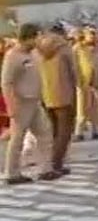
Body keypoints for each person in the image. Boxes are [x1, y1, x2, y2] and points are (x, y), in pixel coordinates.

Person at [1, 24, 56, 183]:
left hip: (35, 101)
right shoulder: (13, 56)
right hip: (21, 102)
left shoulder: (34, 53)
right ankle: (12, 173)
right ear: (28, 37)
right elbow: (6, 83)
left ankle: (46, 169)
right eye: (36, 37)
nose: (38, 40)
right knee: (18, 138)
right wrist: (11, 106)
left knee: (45, 133)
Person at [37, 23, 78, 175]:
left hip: (46, 93)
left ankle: (50, 162)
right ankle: (57, 163)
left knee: (53, 130)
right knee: (64, 131)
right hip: (64, 92)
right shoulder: (64, 47)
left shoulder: (39, 48)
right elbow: (74, 70)